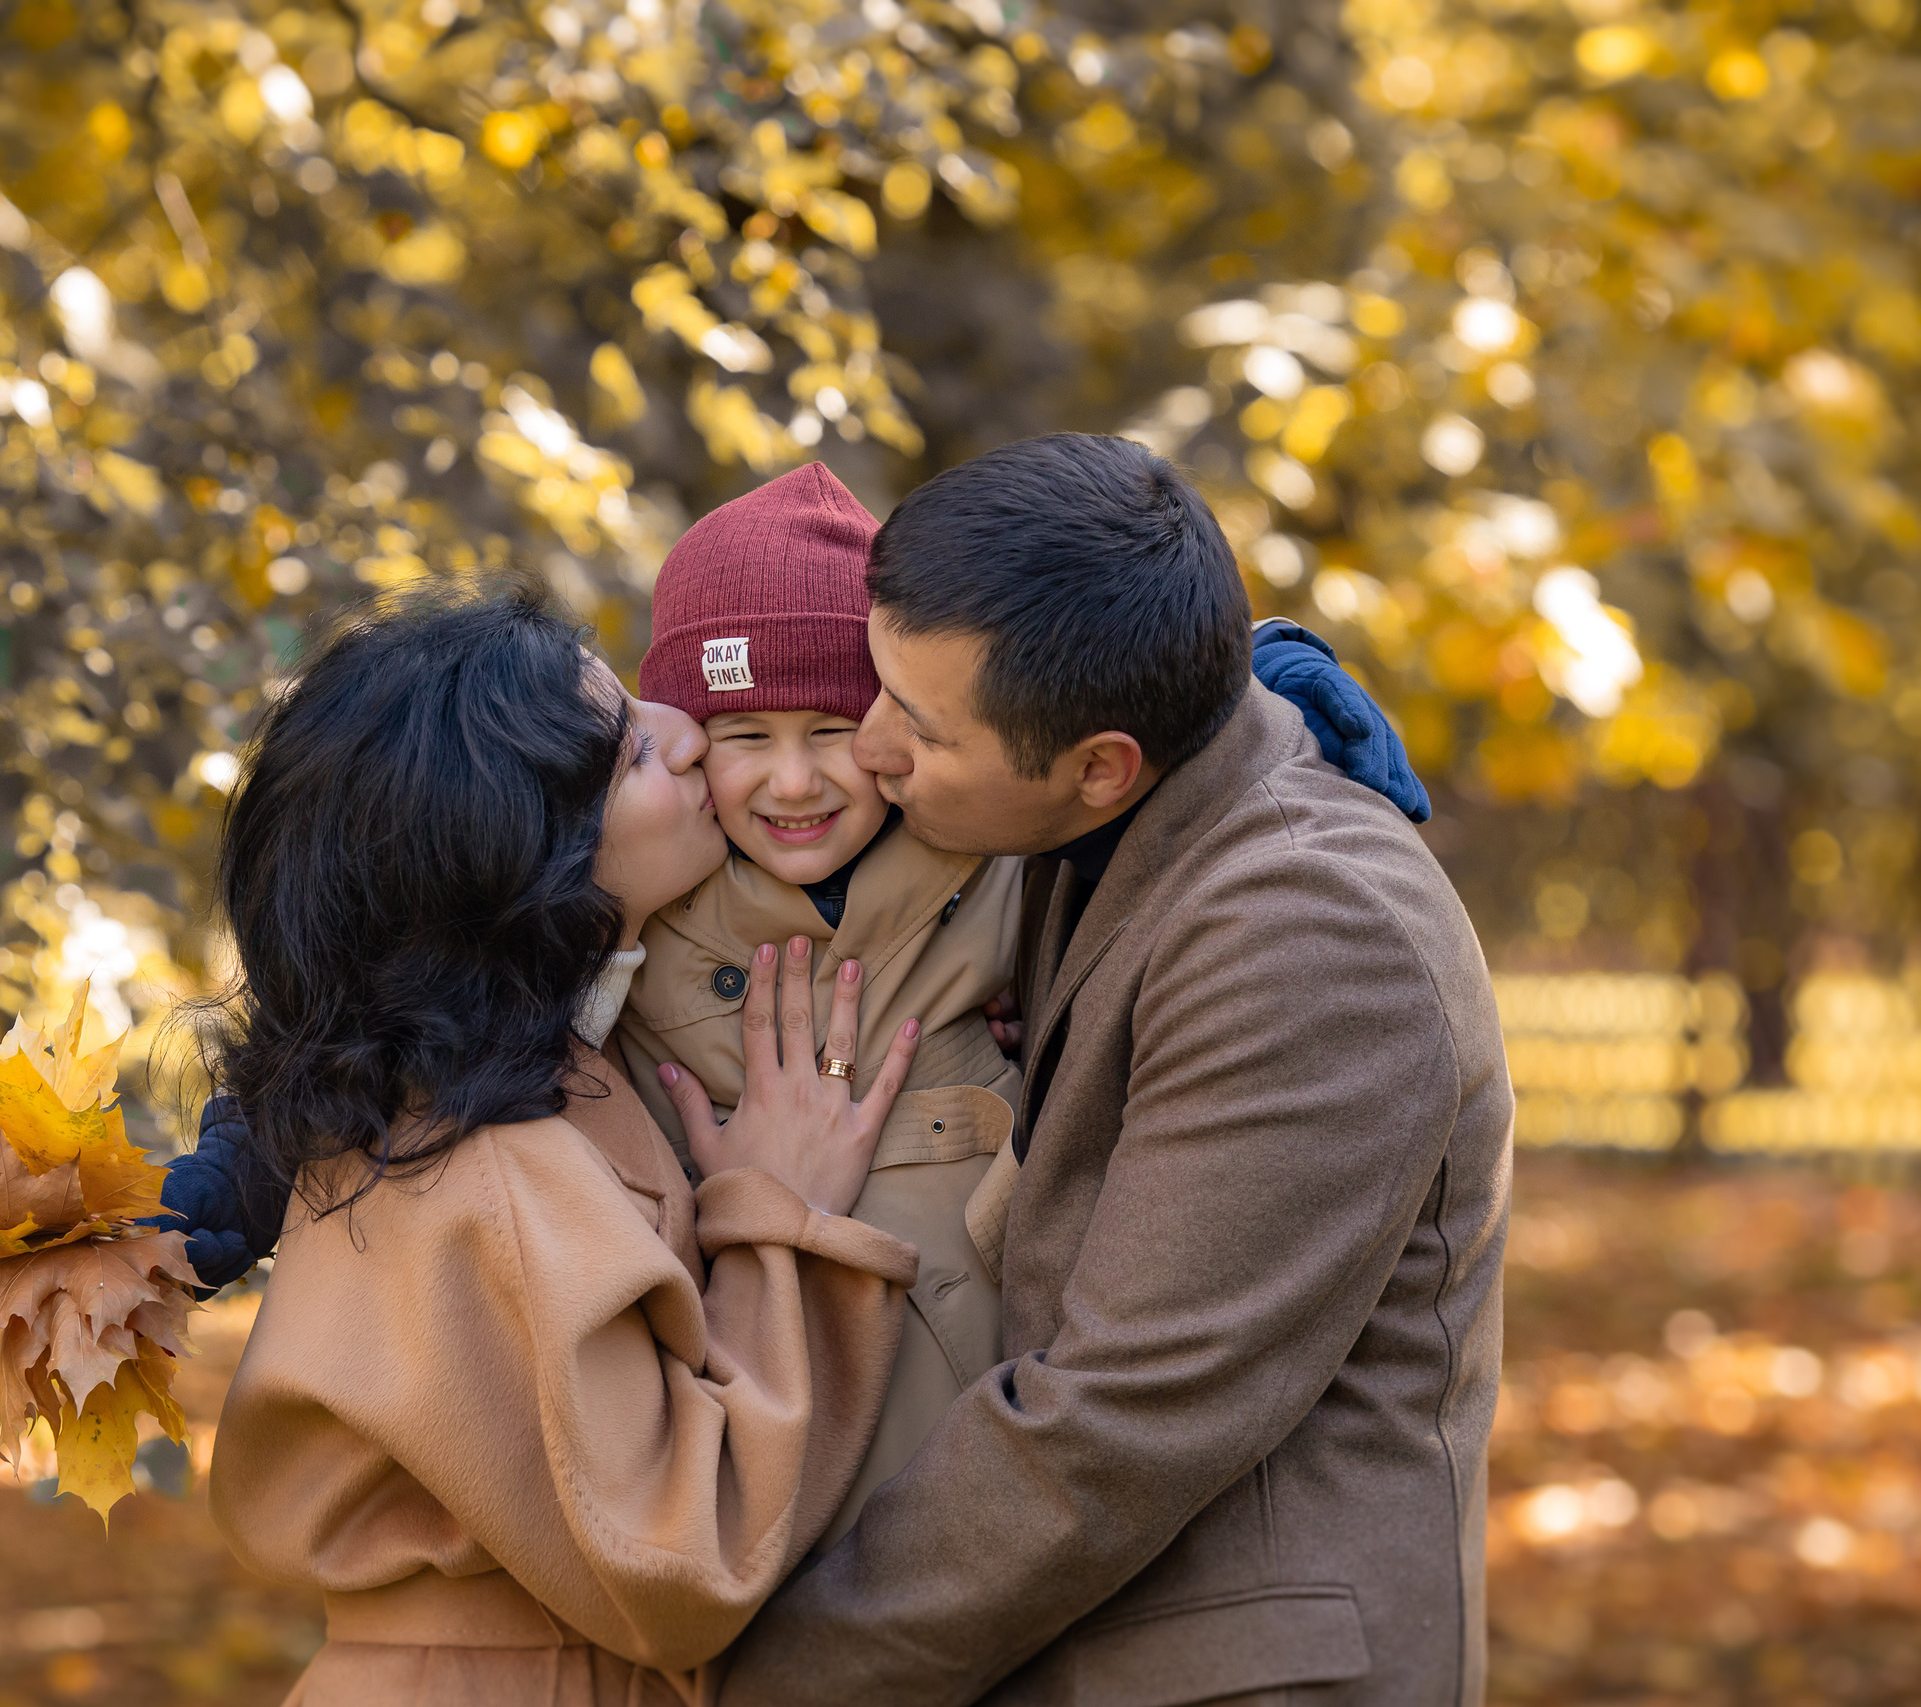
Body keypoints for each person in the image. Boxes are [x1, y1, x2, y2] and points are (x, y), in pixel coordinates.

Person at [717, 433, 1511, 1707]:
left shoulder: (1311, 936)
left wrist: (767, 1683)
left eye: (914, 728)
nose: (867, 748)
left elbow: (1115, 1425)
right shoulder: (1101, 810)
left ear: (1100, 768)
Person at [196, 583, 929, 1707]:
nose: (687, 735)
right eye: (631, 752)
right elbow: (680, 1565)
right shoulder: (485, 1171)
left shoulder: (481, 1101)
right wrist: (779, 1219)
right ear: (517, 862)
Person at [609, 462, 1026, 1547]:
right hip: (755, 1488)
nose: (792, 784)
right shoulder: (637, 918)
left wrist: (1284, 671)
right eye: (745, 737)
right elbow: (420, 1002)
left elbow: (1129, 728)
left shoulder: (1001, 866)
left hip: (989, 1472)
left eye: (831, 728)